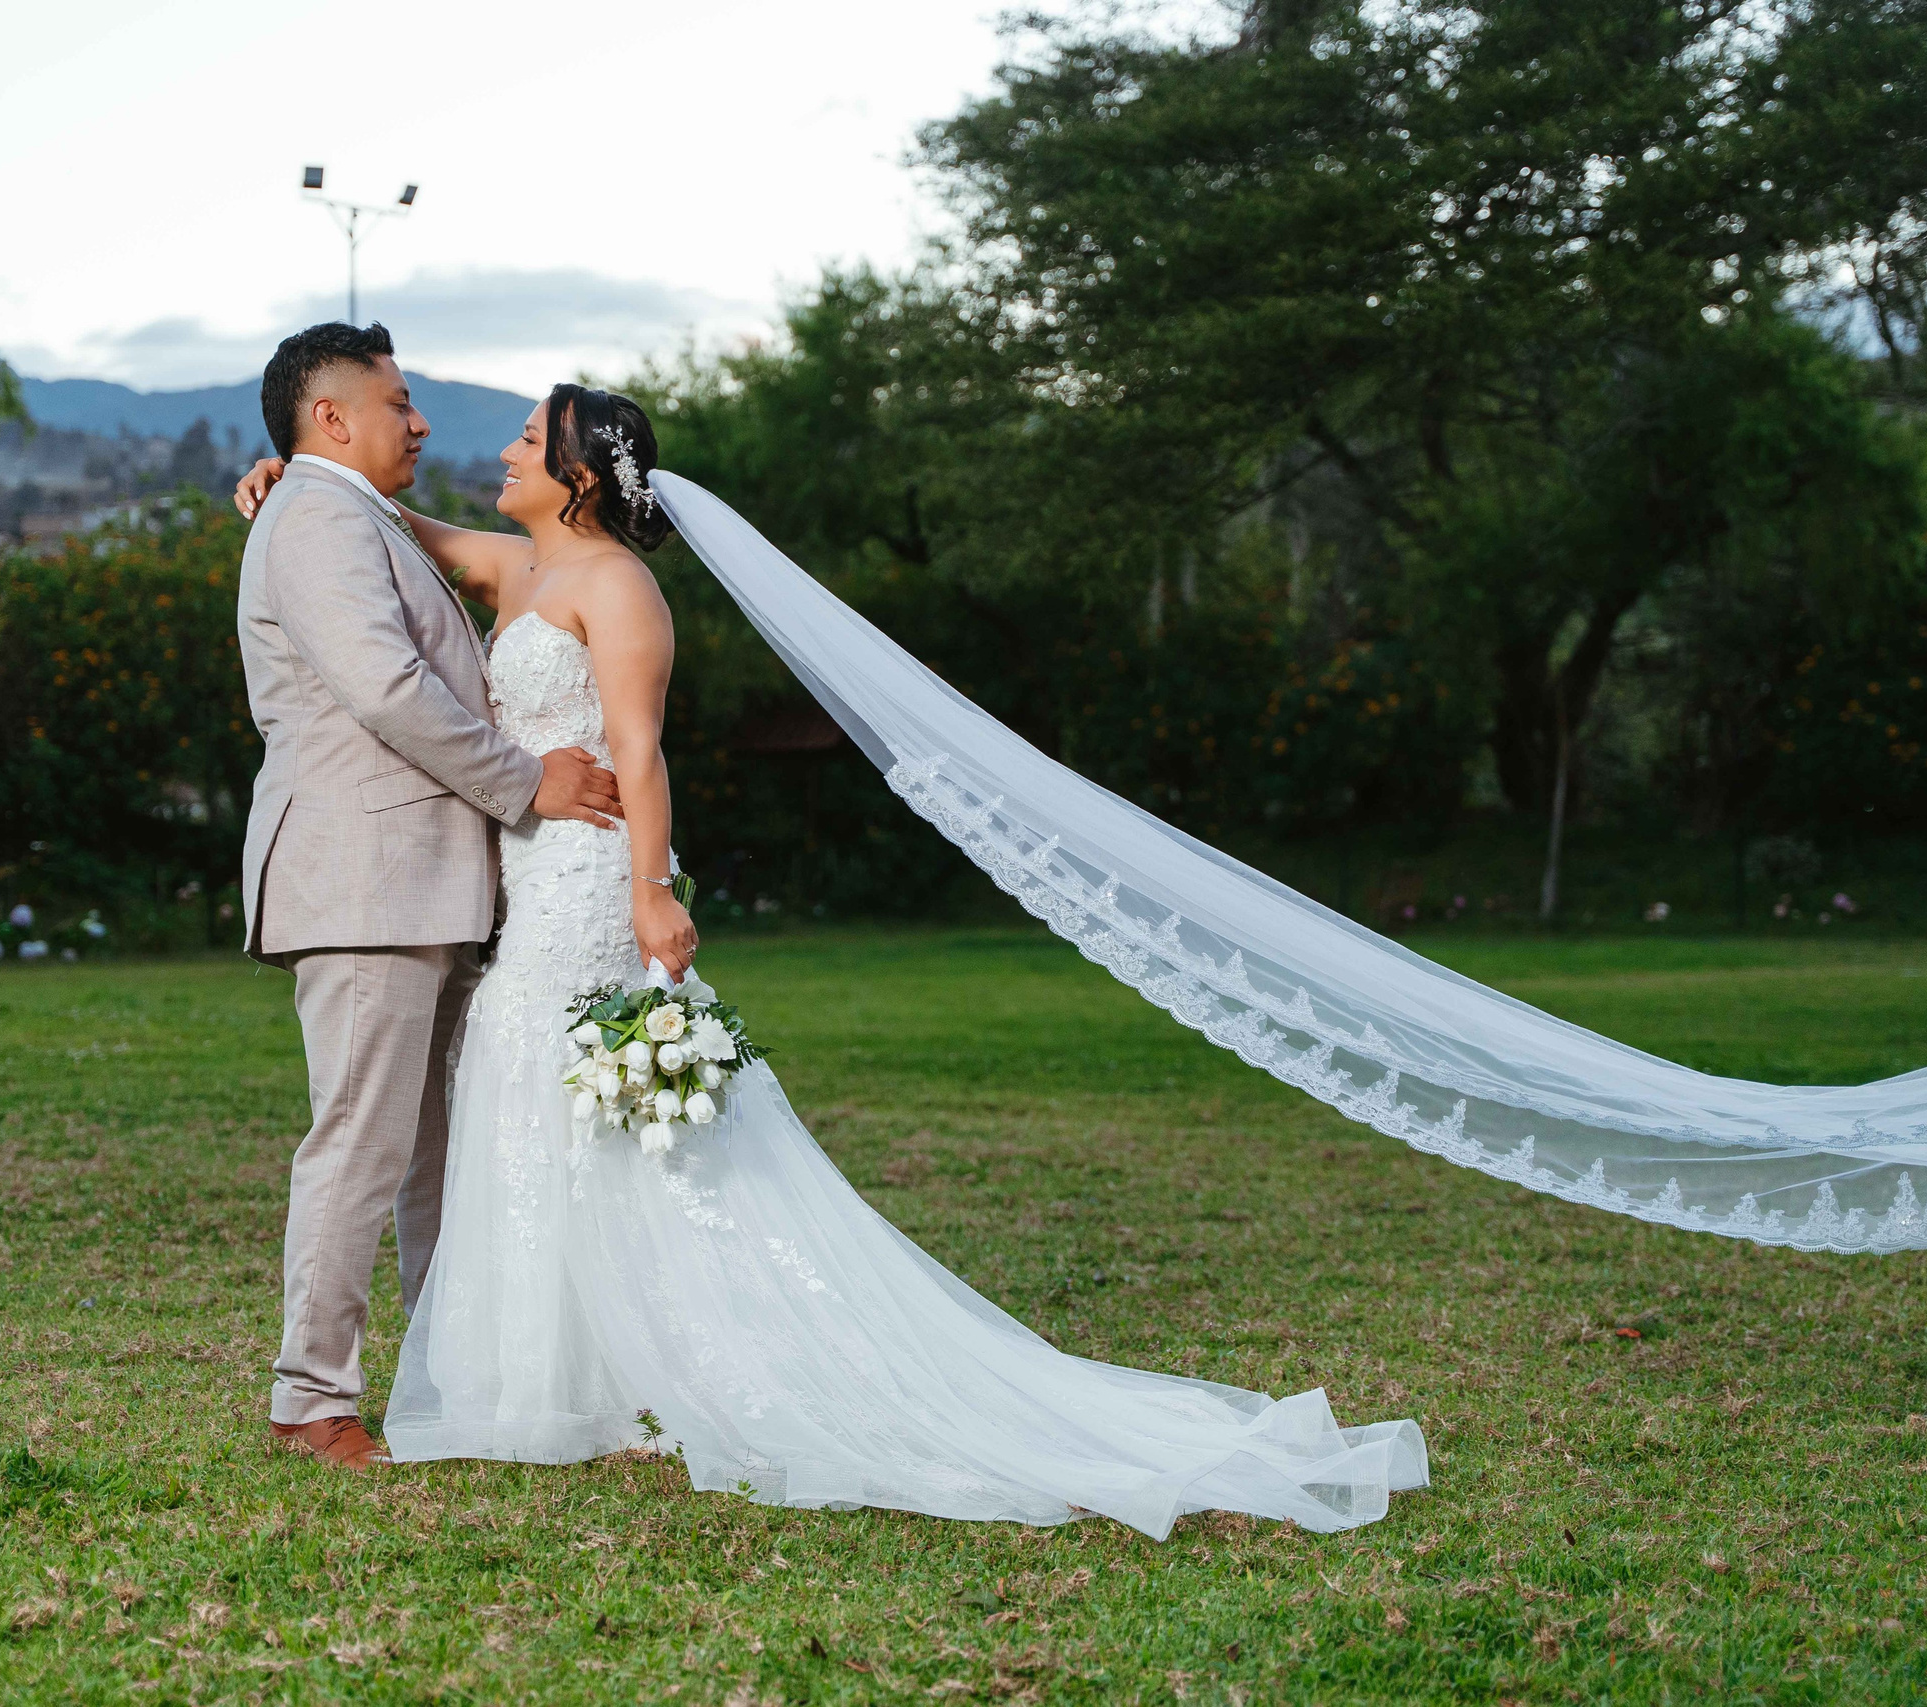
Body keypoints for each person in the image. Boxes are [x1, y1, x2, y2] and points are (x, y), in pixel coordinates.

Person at [231, 383, 1424, 1537]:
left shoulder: (618, 586)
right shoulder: (515, 565)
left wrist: (654, 891)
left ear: (581, 474)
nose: (498, 449)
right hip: (518, 880)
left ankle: (642, 1367)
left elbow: (639, 755)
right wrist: (300, 483)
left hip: (590, 875)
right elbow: (403, 531)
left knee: (574, 1105)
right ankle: (541, 1377)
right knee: (516, 1103)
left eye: (530, 438)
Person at [234, 324, 621, 1471]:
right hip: (363, 883)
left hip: (426, 885)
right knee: (359, 1142)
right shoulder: (312, 517)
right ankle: (312, 1401)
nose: (422, 422)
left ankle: (459, 1381)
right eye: (400, 402)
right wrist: (529, 784)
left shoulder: (337, 510)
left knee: (433, 1156)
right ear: (333, 419)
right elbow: (385, 687)